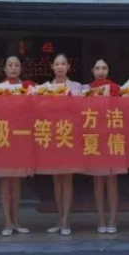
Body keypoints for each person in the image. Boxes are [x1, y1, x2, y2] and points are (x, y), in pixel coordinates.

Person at [37, 53, 84, 236]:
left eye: (63, 64)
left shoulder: (77, 87)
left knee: (67, 178)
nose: (60, 67)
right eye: (57, 64)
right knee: (56, 179)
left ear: (68, 67)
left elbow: (81, 111)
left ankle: (66, 220)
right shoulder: (45, 88)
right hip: (53, 136)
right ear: (52, 67)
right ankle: (59, 218)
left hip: (69, 136)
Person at [0, 56, 34, 237]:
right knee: (5, 180)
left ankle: (16, 221)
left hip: (21, 138)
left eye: (16, 65)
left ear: (20, 69)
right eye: (10, 65)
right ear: (5, 69)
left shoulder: (29, 88)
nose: (13, 68)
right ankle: (6, 222)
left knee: (17, 182)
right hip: (3, 137)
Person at [84, 58, 122, 234]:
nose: (100, 71)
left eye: (104, 68)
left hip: (112, 138)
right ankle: (100, 218)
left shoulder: (117, 90)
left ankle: (113, 219)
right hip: (94, 138)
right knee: (97, 180)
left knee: (112, 179)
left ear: (108, 70)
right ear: (92, 71)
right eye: (97, 68)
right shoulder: (85, 90)